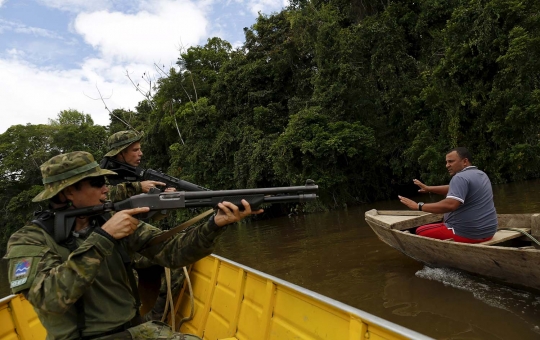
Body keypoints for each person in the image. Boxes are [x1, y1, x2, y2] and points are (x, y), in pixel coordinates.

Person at [4, 151, 262, 339]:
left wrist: (215, 224)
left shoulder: (106, 220)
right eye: (97, 182)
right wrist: (104, 238)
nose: (107, 188)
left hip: (133, 331)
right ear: (67, 192)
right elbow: (48, 299)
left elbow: (171, 252)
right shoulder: (28, 240)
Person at [398, 147, 498, 243]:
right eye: (446, 162)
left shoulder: (460, 177)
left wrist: (418, 206)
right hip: (489, 232)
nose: (447, 165)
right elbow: (453, 188)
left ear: (464, 161)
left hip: (469, 234)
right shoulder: (480, 174)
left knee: (420, 230)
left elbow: (450, 205)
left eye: (451, 161)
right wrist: (429, 188)